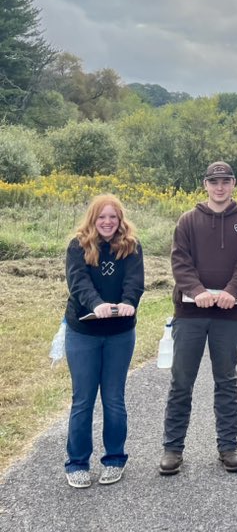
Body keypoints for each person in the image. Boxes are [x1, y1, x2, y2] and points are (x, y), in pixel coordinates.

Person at [160, 161, 237, 476]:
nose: (220, 187)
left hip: (229, 315)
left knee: (226, 382)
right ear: (205, 184)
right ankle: (173, 449)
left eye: (225, 181)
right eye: (214, 181)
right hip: (190, 314)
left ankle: (228, 448)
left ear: (233, 184)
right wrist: (197, 290)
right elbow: (180, 261)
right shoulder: (188, 221)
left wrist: (232, 291)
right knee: (181, 383)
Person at [63, 194, 144, 488]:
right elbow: (78, 282)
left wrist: (128, 301)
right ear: (92, 219)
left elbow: (134, 281)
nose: (107, 222)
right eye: (102, 217)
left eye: (113, 217)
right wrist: (96, 303)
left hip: (120, 333)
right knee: (83, 399)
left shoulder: (132, 246)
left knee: (113, 397)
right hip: (83, 332)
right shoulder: (78, 245)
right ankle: (77, 463)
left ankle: (114, 459)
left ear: (120, 220)